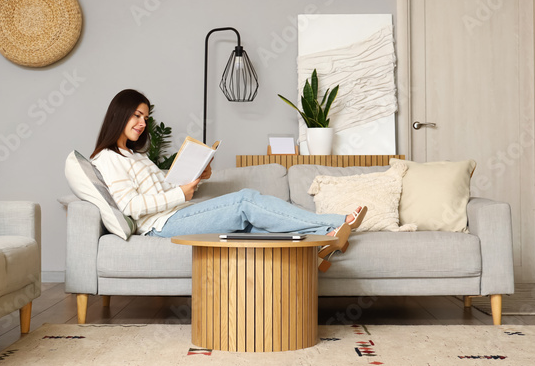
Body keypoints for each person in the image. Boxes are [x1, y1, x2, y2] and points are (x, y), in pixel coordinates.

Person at [90, 89, 367, 270]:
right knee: (244, 201)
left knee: (251, 228)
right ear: (119, 115)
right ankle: (337, 222)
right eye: (137, 116)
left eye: (145, 117)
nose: (142, 123)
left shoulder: (134, 155)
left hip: (174, 214)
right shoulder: (107, 158)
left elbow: (160, 188)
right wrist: (180, 195)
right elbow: (129, 206)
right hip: (159, 226)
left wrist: (194, 177)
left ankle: (323, 240)